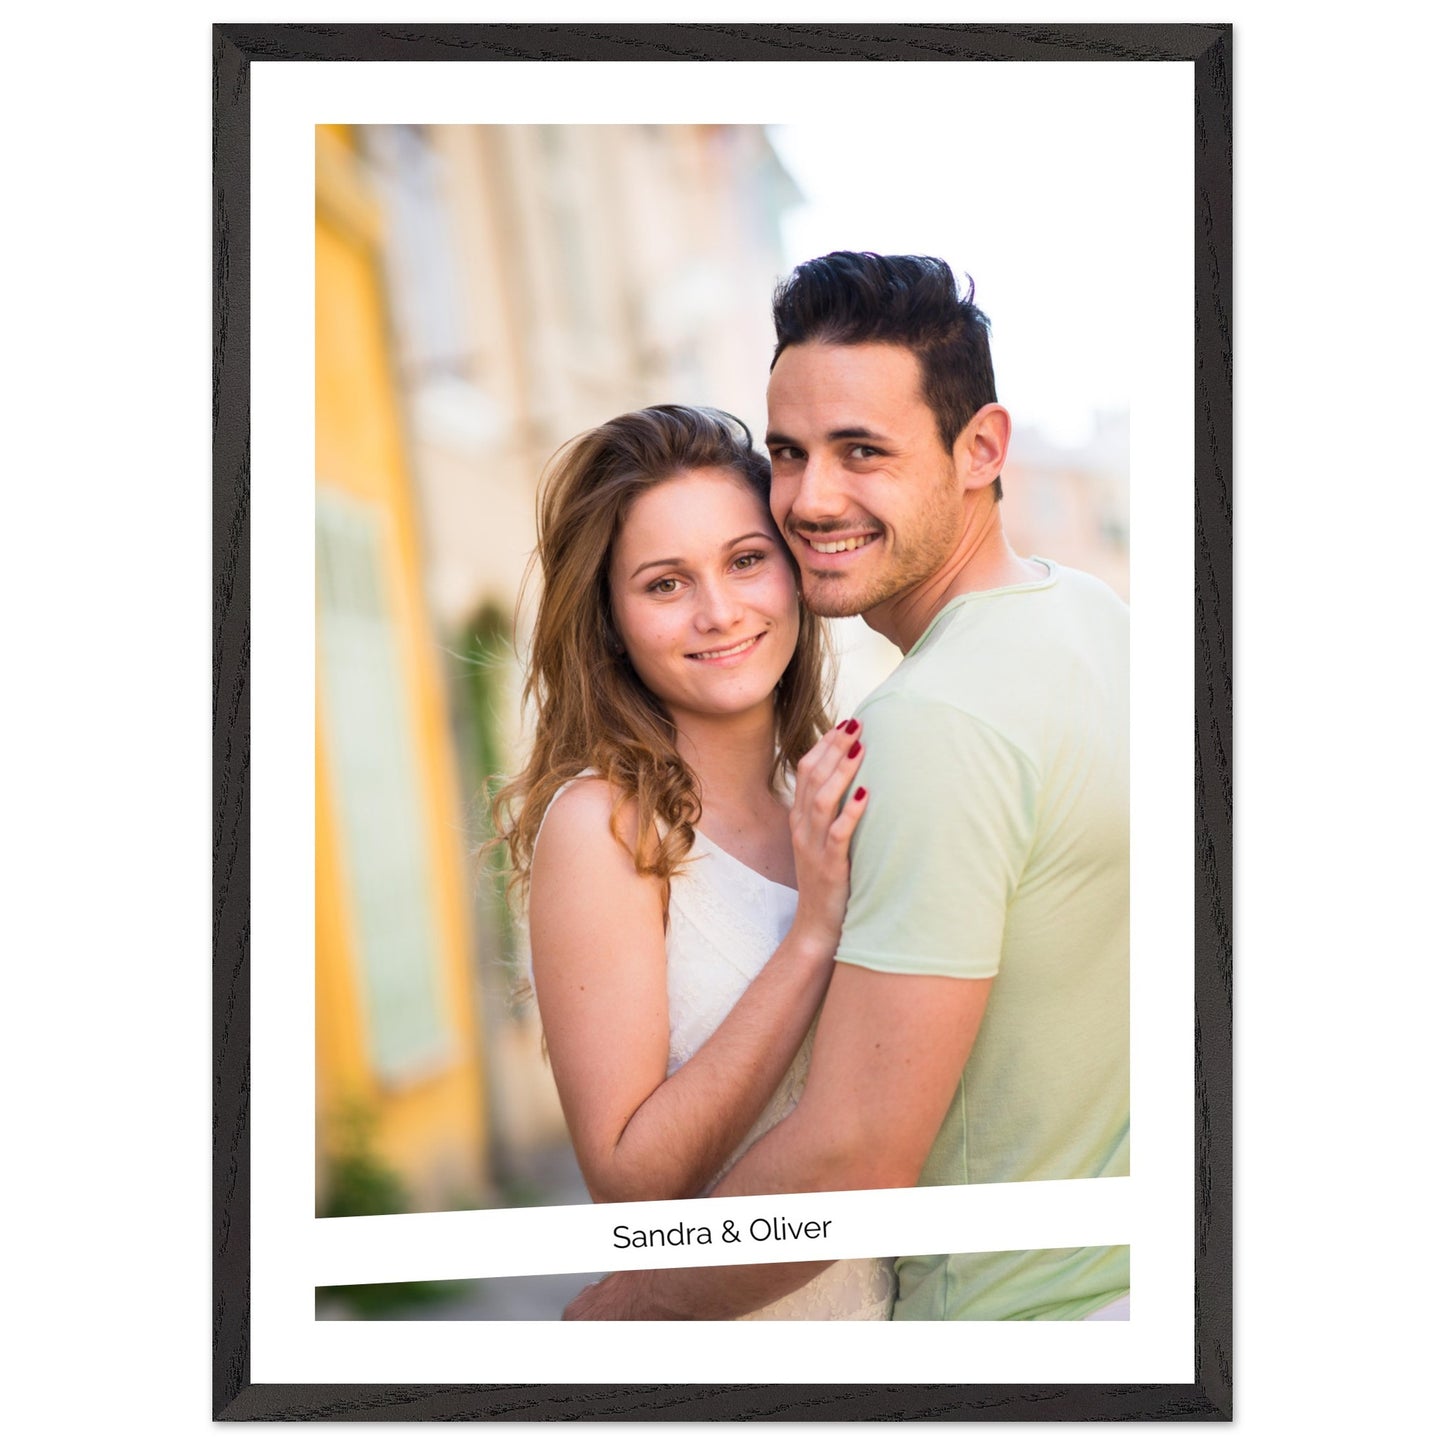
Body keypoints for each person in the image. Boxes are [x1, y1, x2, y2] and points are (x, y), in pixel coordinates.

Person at [565, 252, 1130, 1322]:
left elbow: (852, 1157)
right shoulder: (1098, 621)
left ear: (981, 449)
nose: (811, 499)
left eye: (860, 451)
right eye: (788, 453)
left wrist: (614, 1313)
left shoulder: (933, 724)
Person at [495, 403, 896, 1320]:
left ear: (794, 572)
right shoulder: (604, 827)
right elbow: (631, 1190)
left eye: (745, 560)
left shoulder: (825, 798)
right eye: (665, 583)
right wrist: (810, 939)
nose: (720, 612)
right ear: (608, 621)